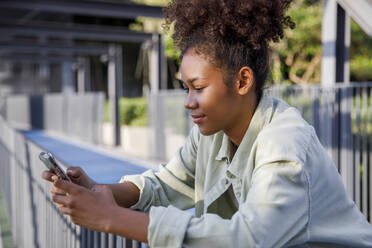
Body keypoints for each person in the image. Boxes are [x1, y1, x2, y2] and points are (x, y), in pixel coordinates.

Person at [42, 0, 372, 247]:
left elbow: (250, 237)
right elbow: (167, 185)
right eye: (185, 88)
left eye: (198, 88)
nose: (188, 101)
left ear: (243, 81)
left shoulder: (285, 141)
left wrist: (112, 218)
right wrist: (102, 192)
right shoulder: (212, 134)